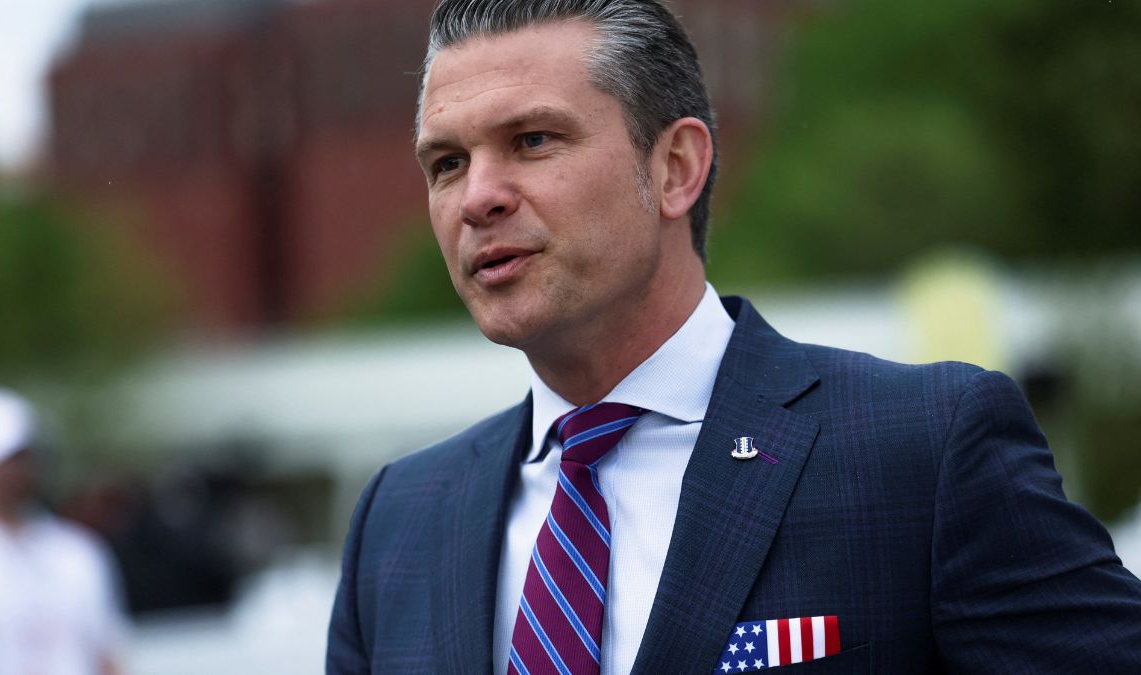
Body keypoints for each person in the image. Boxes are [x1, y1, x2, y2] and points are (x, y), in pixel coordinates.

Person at [326, 1, 1141, 673]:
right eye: (446, 163)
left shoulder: (925, 451)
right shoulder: (399, 519)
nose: (479, 197)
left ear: (677, 167)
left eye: (532, 141)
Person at [0, 387, 126, 675]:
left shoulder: (77, 551)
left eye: (21, 459)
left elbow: (107, 656)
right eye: (1, 463)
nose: (13, 473)